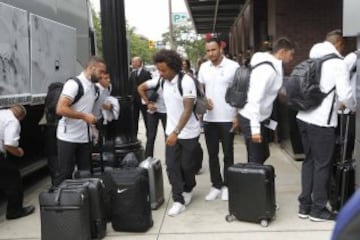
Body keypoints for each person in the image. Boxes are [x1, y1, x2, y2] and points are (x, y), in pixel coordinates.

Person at [296, 30, 355, 222]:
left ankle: (304, 205)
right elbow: (346, 95)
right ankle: (318, 209)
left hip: (303, 116)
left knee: (309, 161)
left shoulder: (313, 58)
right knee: (323, 164)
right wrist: (353, 106)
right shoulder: (338, 64)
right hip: (322, 121)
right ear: (339, 44)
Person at [153, 49, 201, 217]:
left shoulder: (186, 81)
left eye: (163, 70)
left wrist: (176, 132)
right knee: (172, 166)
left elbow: (188, 110)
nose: (160, 73)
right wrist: (147, 101)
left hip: (188, 132)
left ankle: (189, 186)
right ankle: (178, 199)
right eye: (158, 69)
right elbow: (142, 87)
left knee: (187, 166)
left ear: (173, 67)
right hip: (171, 131)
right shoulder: (162, 81)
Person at [238, 37, 295, 165]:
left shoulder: (274, 66)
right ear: (282, 52)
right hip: (252, 117)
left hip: (261, 118)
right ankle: (252, 183)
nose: (292, 58)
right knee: (256, 160)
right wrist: (255, 129)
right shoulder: (266, 70)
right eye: (291, 54)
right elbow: (254, 99)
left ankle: (256, 180)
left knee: (263, 154)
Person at [54, 56, 107, 187]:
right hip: (68, 137)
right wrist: (84, 116)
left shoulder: (94, 88)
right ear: (91, 68)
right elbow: (60, 109)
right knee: (65, 173)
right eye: (100, 72)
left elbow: (90, 110)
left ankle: (82, 202)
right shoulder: (74, 84)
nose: (102, 76)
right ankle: (57, 200)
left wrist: (93, 127)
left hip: (85, 137)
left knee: (85, 173)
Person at [197, 37, 239, 201]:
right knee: (212, 154)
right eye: (208, 50)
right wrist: (203, 103)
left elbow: (238, 92)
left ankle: (228, 185)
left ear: (220, 49)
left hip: (228, 117)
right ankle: (216, 185)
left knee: (228, 154)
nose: (211, 53)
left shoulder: (233, 67)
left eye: (213, 50)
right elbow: (200, 89)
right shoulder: (203, 67)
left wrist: (237, 115)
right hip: (210, 118)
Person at [0, 104, 35, 220]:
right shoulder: (13, 121)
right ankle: (14, 211)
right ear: (21, 116)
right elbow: (9, 144)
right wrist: (19, 152)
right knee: (13, 180)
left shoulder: (2, 113)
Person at [137, 76, 167, 158]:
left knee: (168, 136)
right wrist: (148, 103)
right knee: (151, 136)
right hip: (153, 111)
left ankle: (170, 160)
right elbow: (140, 88)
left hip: (167, 112)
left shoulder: (174, 83)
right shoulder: (156, 82)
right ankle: (148, 158)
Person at [130, 56, 152, 137]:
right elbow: (130, 86)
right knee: (134, 119)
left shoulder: (146, 73)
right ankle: (134, 136)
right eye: (132, 62)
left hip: (143, 99)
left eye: (133, 62)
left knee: (146, 119)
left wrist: (148, 99)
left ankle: (149, 135)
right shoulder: (132, 74)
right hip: (135, 100)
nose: (132, 64)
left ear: (139, 62)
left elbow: (150, 87)